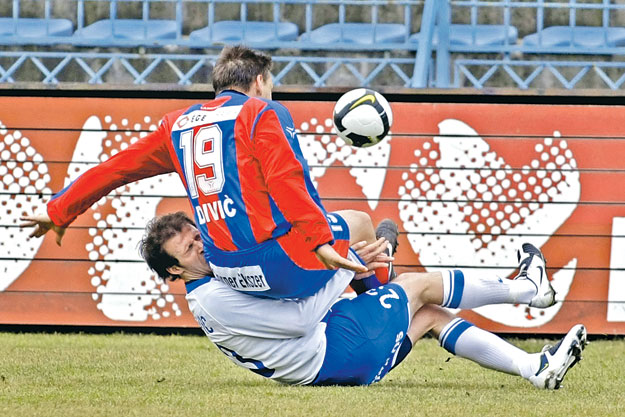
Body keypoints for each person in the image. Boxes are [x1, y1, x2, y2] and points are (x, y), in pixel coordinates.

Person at [20, 45, 397, 299]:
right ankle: (387, 297)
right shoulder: (261, 112)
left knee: (334, 237)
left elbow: (116, 168)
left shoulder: (178, 125)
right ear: (258, 83)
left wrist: (59, 210)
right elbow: (288, 181)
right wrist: (319, 241)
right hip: (282, 266)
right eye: (270, 88)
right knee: (361, 222)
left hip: (226, 270)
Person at [139, 211, 587, 389]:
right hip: (329, 353)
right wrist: (346, 265)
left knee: (430, 314)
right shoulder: (213, 297)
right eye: (188, 249)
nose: (200, 245)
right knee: (416, 288)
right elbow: (297, 322)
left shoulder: (216, 277)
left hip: (324, 356)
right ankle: (529, 289)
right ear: (174, 271)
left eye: (197, 236)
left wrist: (347, 265)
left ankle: (534, 368)